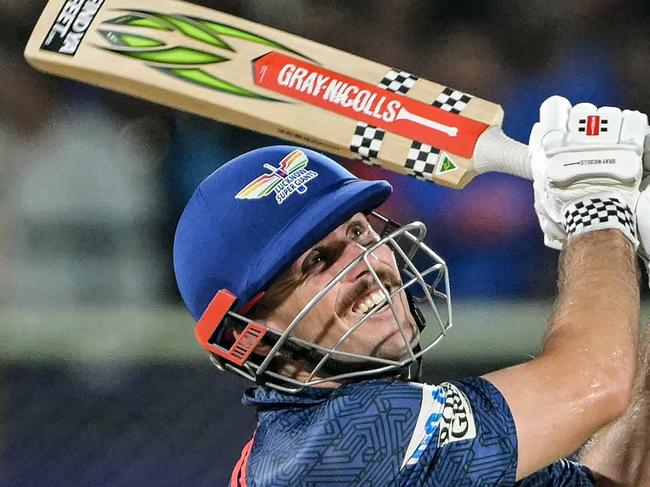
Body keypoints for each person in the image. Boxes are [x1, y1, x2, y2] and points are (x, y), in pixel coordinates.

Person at [173, 96, 650, 485]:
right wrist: (598, 210)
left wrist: (619, 230)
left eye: (359, 233)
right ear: (248, 337)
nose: (368, 263)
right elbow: (596, 380)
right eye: (317, 262)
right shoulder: (339, 448)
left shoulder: (338, 443)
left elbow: (616, 477)